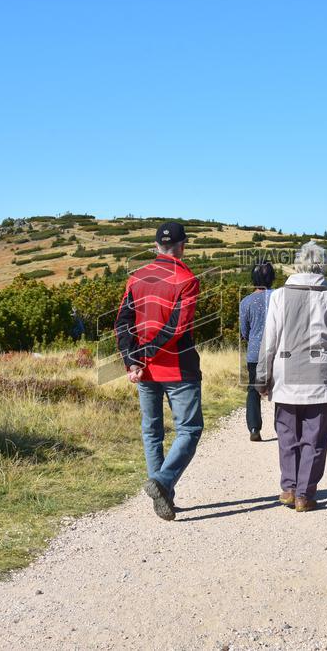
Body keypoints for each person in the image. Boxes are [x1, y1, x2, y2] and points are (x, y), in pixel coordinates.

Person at [255, 241, 327, 512]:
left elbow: (269, 341)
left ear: (297, 263)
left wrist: (262, 376)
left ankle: (289, 488)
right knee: (315, 438)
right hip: (321, 379)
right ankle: (305, 494)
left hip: (285, 376)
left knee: (287, 435)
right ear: (323, 266)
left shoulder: (280, 296)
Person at [115, 221, 202, 521]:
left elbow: (122, 323)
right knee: (189, 430)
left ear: (156, 246)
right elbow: (177, 328)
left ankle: (161, 492)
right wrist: (146, 356)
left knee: (152, 431)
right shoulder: (187, 279)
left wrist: (134, 360)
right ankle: (163, 483)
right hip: (178, 369)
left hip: (145, 373)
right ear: (182, 246)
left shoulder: (136, 277)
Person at [239, 261, 275, 442]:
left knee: (253, 390)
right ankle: (282, 427)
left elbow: (244, 332)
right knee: (280, 389)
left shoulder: (246, 302)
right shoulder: (279, 297)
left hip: (254, 353)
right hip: (278, 351)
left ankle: (254, 427)